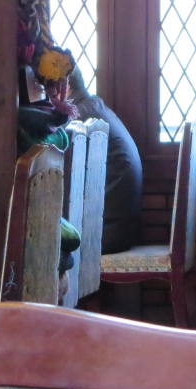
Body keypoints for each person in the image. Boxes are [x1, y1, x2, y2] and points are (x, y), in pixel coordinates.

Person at [68, 68, 143, 254]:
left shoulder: (79, 116)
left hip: (107, 233)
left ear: (66, 85)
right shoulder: (93, 105)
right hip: (124, 229)